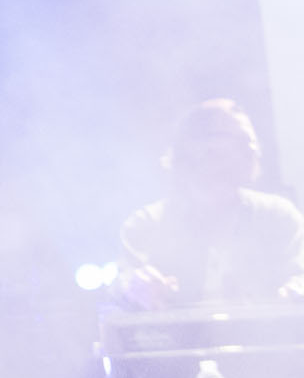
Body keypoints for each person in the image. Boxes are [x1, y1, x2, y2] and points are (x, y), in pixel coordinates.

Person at [114, 99, 304, 309]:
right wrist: (138, 288)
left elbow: (299, 276)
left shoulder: (278, 216)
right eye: (240, 140)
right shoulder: (146, 225)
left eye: (252, 140)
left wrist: (297, 289)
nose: (253, 148)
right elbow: (123, 290)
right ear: (196, 148)